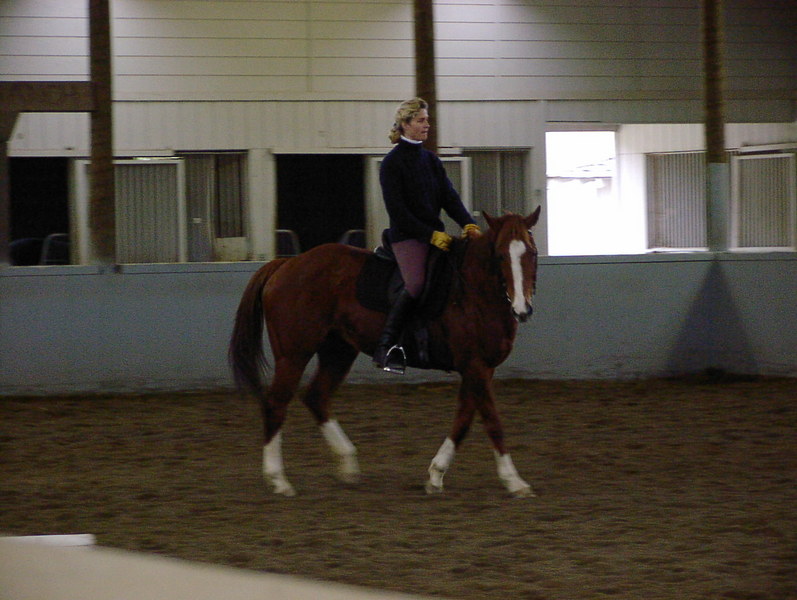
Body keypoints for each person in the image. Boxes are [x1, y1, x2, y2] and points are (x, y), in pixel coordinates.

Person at [373, 97, 481, 373]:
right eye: (421, 120)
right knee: (416, 284)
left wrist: (468, 224)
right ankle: (386, 347)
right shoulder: (392, 163)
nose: (427, 125)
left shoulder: (431, 160)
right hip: (407, 237)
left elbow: (449, 197)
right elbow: (398, 212)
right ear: (405, 124)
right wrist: (429, 235)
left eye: (427, 120)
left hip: (434, 235)